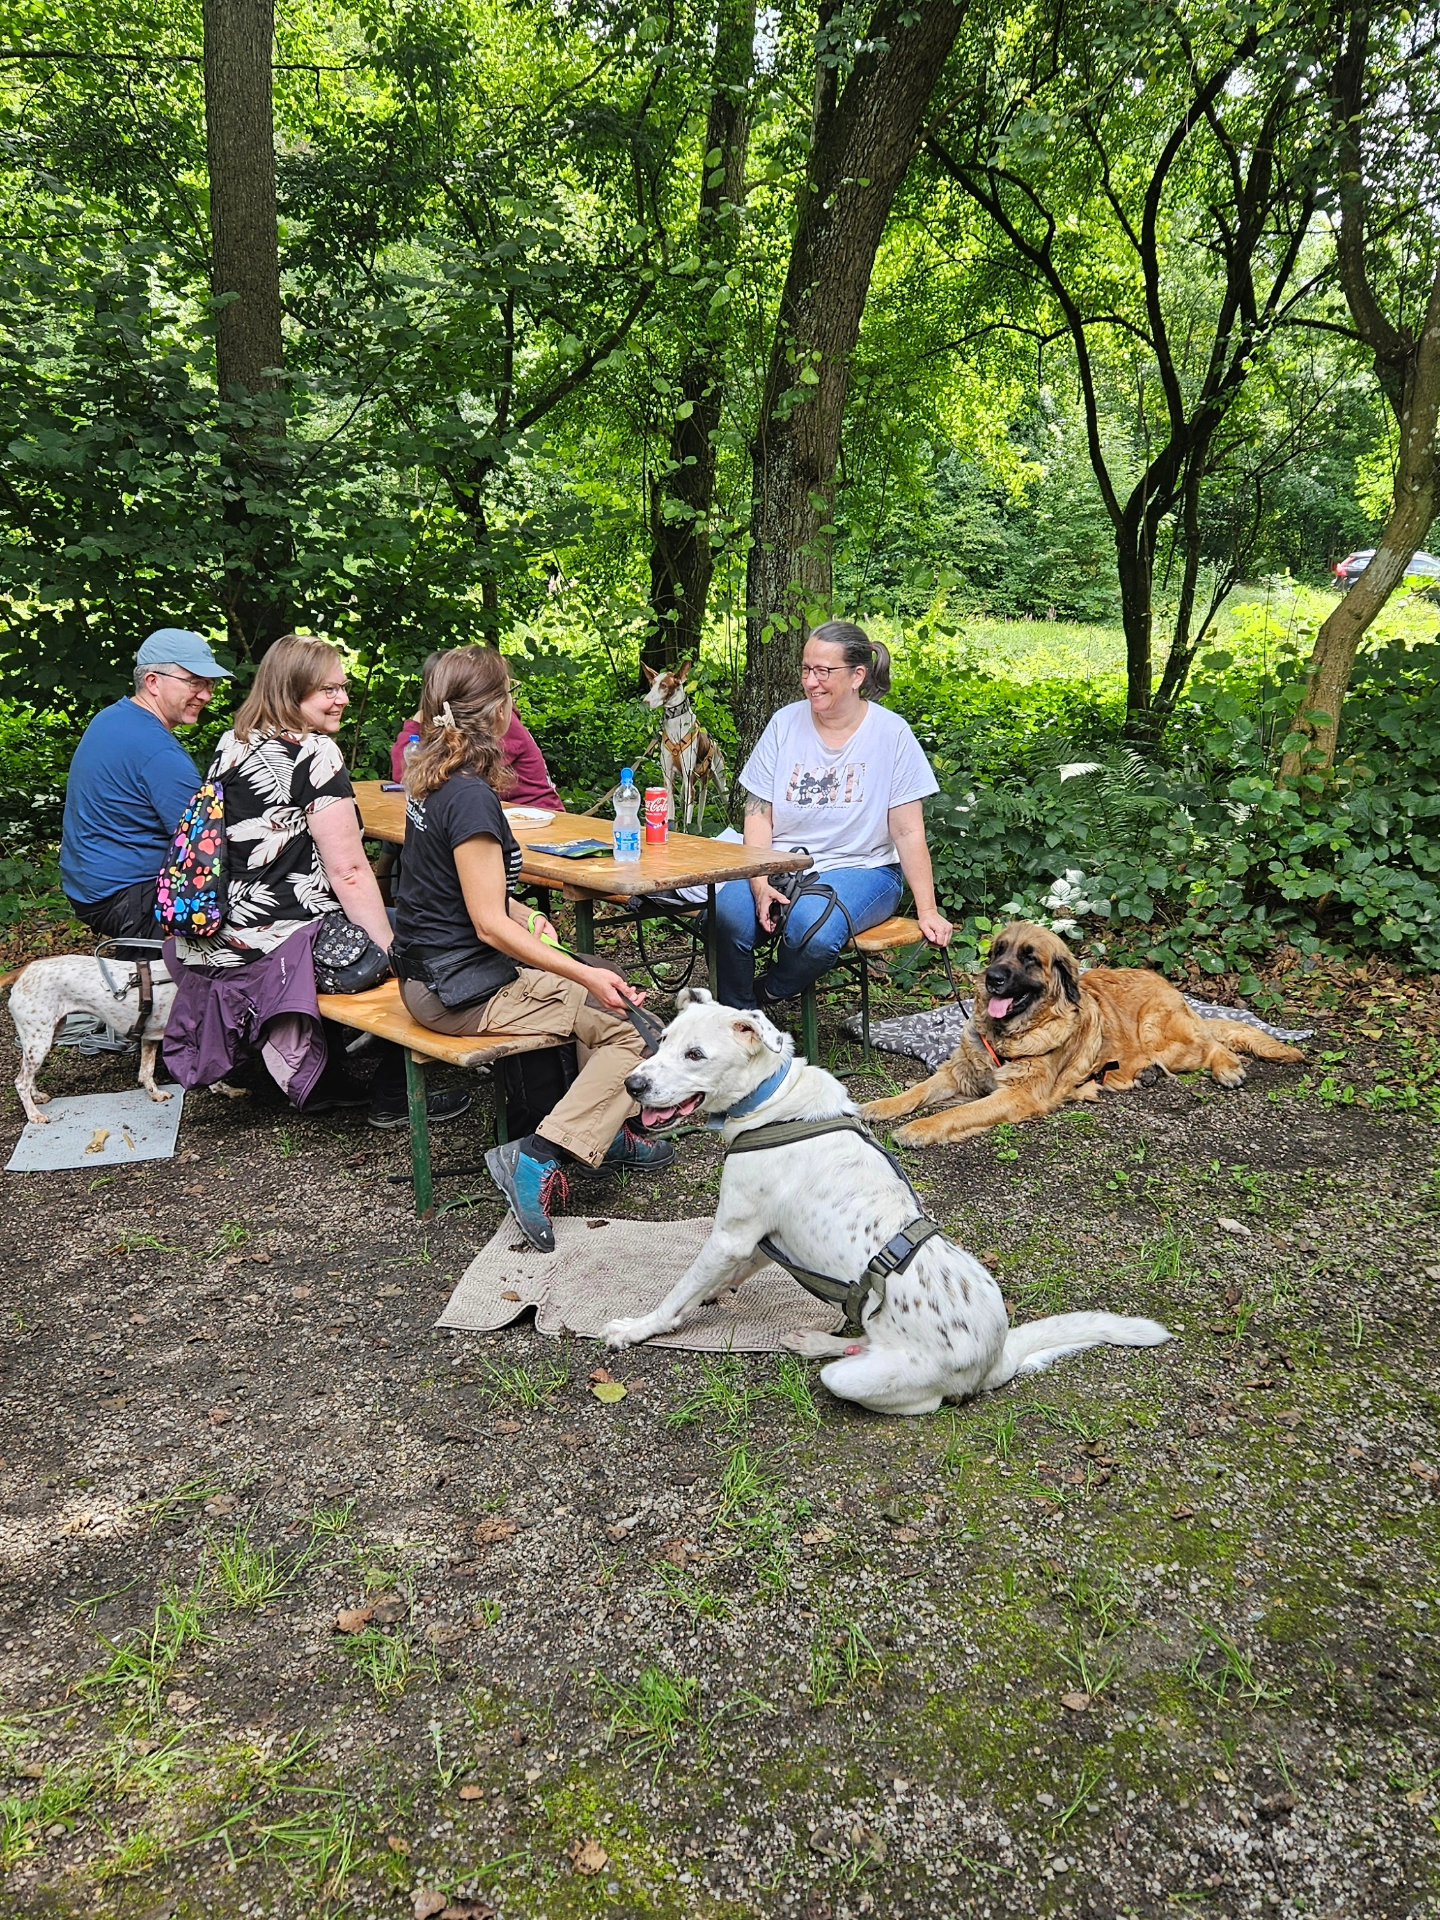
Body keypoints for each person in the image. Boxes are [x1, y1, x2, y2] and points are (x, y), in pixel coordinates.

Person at [393, 645, 671, 1251]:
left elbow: (451, 893)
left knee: (605, 977)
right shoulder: (469, 796)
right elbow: (489, 926)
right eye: (510, 694)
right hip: (456, 988)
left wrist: (535, 924)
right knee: (629, 1023)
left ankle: (601, 1130)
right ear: (495, 712)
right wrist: (576, 971)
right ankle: (539, 1155)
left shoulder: (431, 778)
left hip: (433, 973)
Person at [162, 633, 470, 1129]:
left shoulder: (234, 742)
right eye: (328, 690)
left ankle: (329, 1078)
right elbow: (348, 871)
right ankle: (396, 1095)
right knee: (423, 938)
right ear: (291, 692)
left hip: (216, 936)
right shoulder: (316, 752)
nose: (343, 699)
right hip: (278, 947)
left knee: (381, 925)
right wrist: (393, 949)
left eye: (342, 687)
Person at [713, 620, 953, 1010]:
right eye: (806, 669)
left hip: (864, 868)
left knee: (814, 930)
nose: (811, 682)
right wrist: (758, 881)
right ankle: (736, 1020)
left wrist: (927, 909)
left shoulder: (891, 734)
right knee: (727, 917)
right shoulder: (783, 724)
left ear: (858, 675)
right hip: (779, 862)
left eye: (823, 671)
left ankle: (768, 993)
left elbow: (908, 831)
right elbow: (758, 814)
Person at [60, 628, 233, 941]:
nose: (206, 694)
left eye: (209, 684)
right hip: (127, 897)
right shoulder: (158, 751)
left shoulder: (112, 718)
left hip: (89, 887)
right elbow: (208, 844)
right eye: (195, 682)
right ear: (153, 681)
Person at [392, 650, 561, 810]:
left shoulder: (495, 722)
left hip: (537, 818)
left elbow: (441, 781)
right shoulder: (454, 724)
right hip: (500, 816)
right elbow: (412, 777)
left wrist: (416, 724)